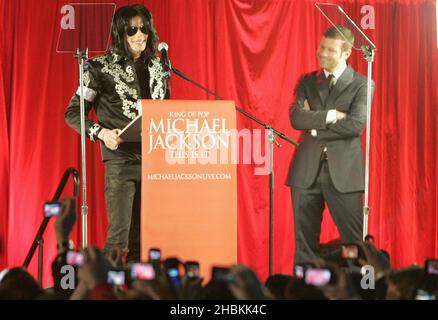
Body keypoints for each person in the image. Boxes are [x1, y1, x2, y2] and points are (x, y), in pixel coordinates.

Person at [65, 4, 170, 263]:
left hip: (155, 162)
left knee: (144, 241)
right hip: (121, 162)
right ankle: (105, 290)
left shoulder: (158, 66)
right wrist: (101, 133)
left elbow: (166, 108)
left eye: (143, 28)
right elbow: (73, 112)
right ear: (120, 32)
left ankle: (138, 292)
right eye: (132, 29)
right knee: (118, 240)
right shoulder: (98, 68)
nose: (139, 34)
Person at [286, 26, 373, 265]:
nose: (322, 53)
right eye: (321, 46)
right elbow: (296, 118)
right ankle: (303, 293)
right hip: (305, 173)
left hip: (344, 174)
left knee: (354, 247)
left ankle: (355, 292)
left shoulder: (362, 84)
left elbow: (355, 125)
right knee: (304, 247)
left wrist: (314, 126)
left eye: (330, 49)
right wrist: (333, 115)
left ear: (346, 53)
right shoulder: (307, 81)